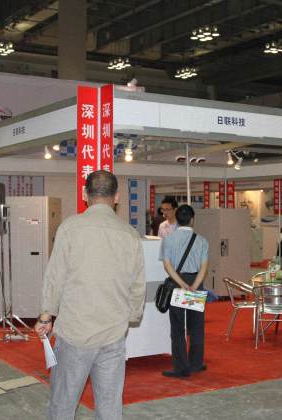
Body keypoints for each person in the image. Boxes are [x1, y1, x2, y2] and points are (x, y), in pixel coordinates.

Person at [35, 170, 146, 420]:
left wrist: (46, 316)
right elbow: (138, 285)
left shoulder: (70, 228)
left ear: (85, 194)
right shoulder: (129, 234)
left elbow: (55, 276)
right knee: (109, 408)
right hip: (113, 334)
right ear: (116, 197)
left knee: (63, 405)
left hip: (75, 332)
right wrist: (130, 316)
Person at [160, 204, 209, 378]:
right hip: (196, 281)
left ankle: (181, 367)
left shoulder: (168, 240)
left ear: (177, 219)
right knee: (196, 326)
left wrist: (181, 283)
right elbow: (204, 267)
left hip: (177, 283)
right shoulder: (202, 241)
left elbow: (167, 266)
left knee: (178, 326)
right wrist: (194, 285)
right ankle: (196, 363)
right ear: (192, 220)